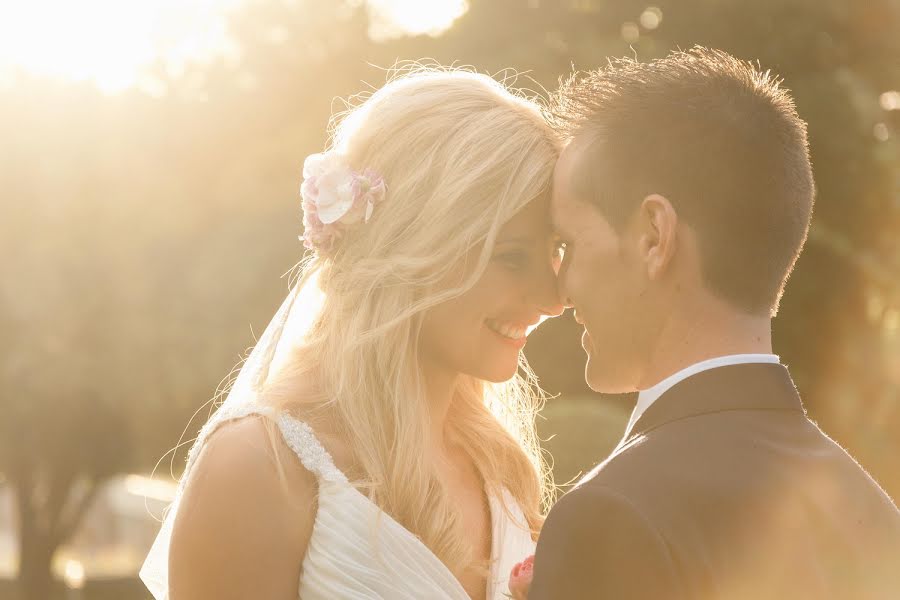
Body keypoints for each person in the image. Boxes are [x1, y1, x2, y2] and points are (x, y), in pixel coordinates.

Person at [140, 67, 566, 600]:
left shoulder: (499, 469)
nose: (554, 299)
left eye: (556, 252)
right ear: (414, 244)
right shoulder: (260, 468)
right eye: (511, 257)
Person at [528, 47, 900, 599]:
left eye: (568, 244)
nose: (559, 288)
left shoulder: (612, 517)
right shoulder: (870, 509)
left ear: (654, 237)